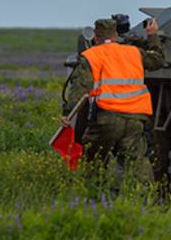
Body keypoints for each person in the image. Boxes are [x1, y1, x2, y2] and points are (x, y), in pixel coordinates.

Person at [62, 18, 165, 183]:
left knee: (93, 159)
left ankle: (94, 195)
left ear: (96, 37)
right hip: (135, 119)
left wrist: (68, 114)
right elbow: (158, 60)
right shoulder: (133, 52)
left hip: (107, 118)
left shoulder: (90, 56)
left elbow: (81, 89)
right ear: (116, 36)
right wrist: (152, 36)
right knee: (138, 162)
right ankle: (146, 198)